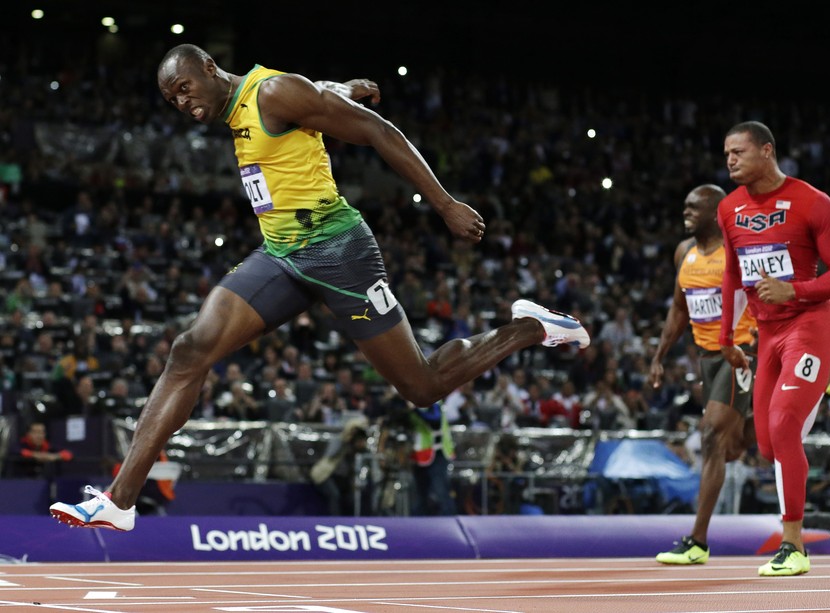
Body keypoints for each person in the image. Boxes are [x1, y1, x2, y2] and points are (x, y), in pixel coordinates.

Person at [49, 44, 589, 531]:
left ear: (211, 68)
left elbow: (379, 131)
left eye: (185, 88)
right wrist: (344, 89)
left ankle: (531, 327)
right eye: (172, 99)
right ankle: (120, 501)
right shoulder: (247, 103)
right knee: (189, 350)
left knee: (422, 387)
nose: (182, 103)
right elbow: (316, 99)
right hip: (281, 255)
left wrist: (444, 204)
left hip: (338, 252)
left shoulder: (273, 92)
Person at [717, 121, 830, 576]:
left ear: (767, 150)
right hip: (768, 335)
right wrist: (726, 337)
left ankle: (793, 545)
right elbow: (734, 277)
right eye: (726, 155)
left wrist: (794, 290)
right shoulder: (728, 209)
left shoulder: (813, 202)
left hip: (811, 321)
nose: (730, 160)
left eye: (738, 152)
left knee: (783, 424)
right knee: (766, 446)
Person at [652, 184, 758, 566]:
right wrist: (659, 355)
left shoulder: (738, 252)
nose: (686, 211)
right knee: (728, 447)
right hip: (707, 359)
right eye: (685, 205)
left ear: (716, 213)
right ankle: (775, 414)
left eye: (694, 207)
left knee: (711, 435)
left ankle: (697, 540)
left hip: (740, 355)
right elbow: (680, 310)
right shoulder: (684, 253)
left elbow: (762, 295)